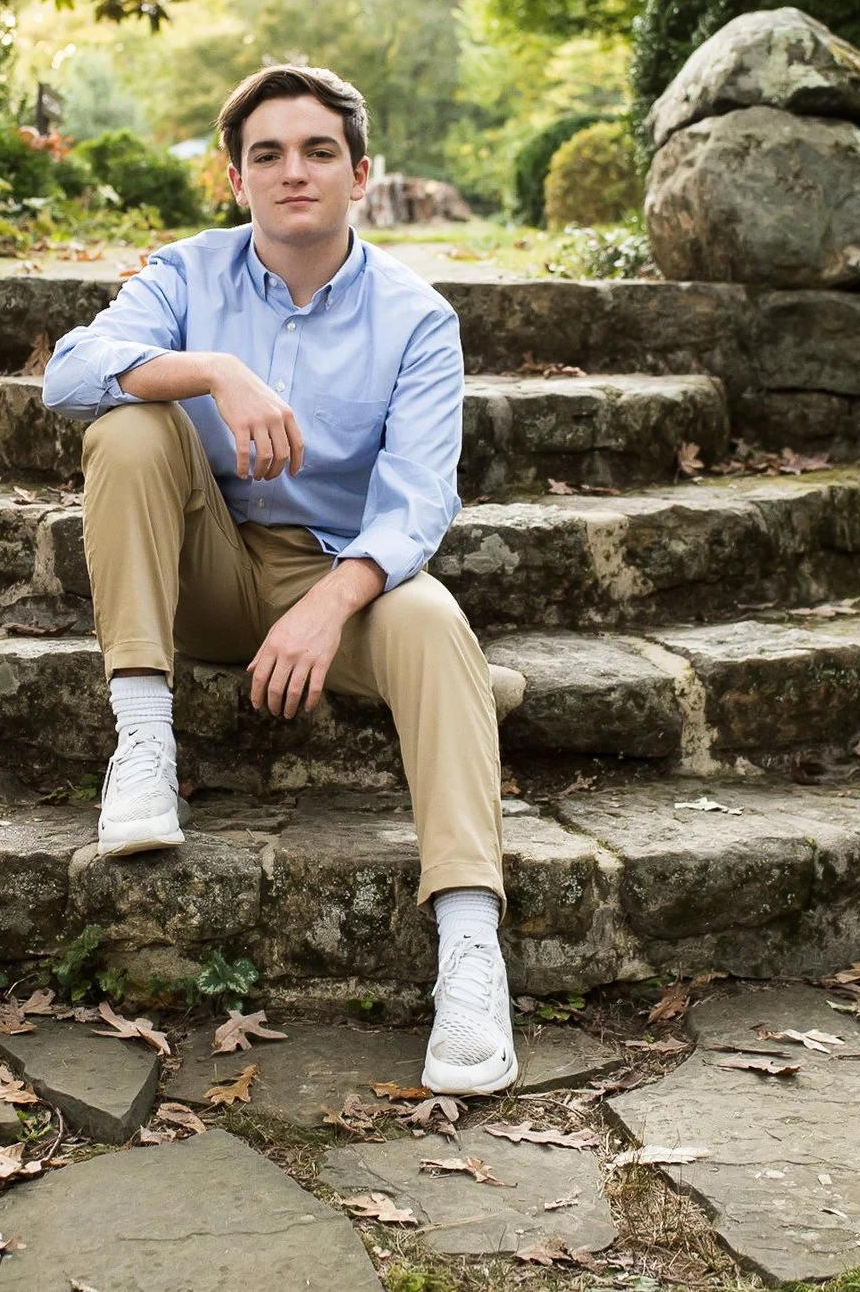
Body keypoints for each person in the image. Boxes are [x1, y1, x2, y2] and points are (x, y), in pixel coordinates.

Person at [40, 64, 518, 1096]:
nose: (291, 171)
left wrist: (328, 606)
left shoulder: (417, 317)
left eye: (315, 151)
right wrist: (213, 368)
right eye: (267, 153)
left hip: (337, 574)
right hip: (202, 569)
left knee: (433, 625)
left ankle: (472, 953)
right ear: (236, 176)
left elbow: (417, 501)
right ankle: (142, 741)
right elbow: (68, 370)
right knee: (127, 424)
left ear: (359, 173)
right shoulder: (187, 272)